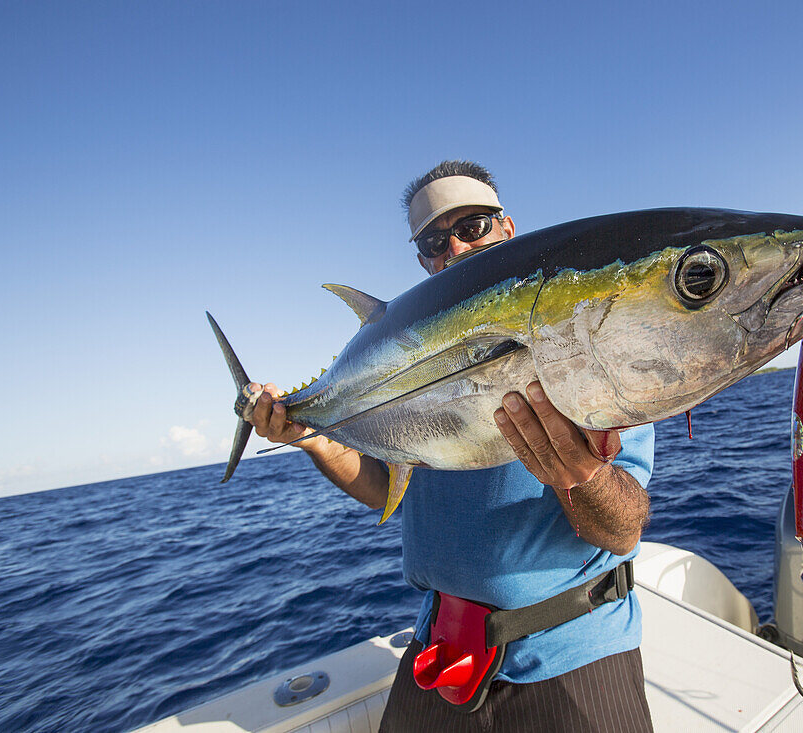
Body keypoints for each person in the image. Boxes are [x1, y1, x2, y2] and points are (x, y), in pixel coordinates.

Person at [245, 160, 656, 731]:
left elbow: (623, 529)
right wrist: (310, 435)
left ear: (507, 229)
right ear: (422, 259)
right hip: (440, 655)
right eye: (436, 241)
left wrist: (580, 474)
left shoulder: (584, 337)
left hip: (571, 656)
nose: (456, 249)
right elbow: (391, 487)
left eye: (474, 227)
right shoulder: (411, 358)